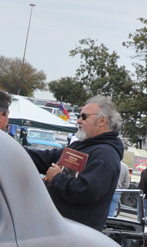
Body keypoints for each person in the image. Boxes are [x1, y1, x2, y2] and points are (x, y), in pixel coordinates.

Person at [25, 95, 124, 231]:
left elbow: (87, 190)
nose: (78, 120)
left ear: (102, 121)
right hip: (54, 226)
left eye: (84, 117)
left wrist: (57, 178)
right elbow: (47, 158)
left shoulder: (105, 155)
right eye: (79, 115)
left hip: (72, 234)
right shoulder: (83, 146)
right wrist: (13, 148)